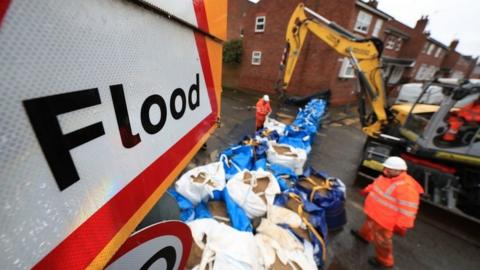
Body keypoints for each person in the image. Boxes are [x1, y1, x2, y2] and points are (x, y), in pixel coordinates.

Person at [351, 156, 424, 268]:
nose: (387, 171)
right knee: (369, 225)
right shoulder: (386, 177)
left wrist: (402, 225)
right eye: (386, 168)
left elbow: (409, 210)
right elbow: (376, 185)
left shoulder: (406, 187)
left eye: (391, 169)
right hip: (375, 213)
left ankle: (384, 261)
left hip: (385, 221)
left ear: (401, 171)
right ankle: (364, 236)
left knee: (382, 242)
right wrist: (367, 190)